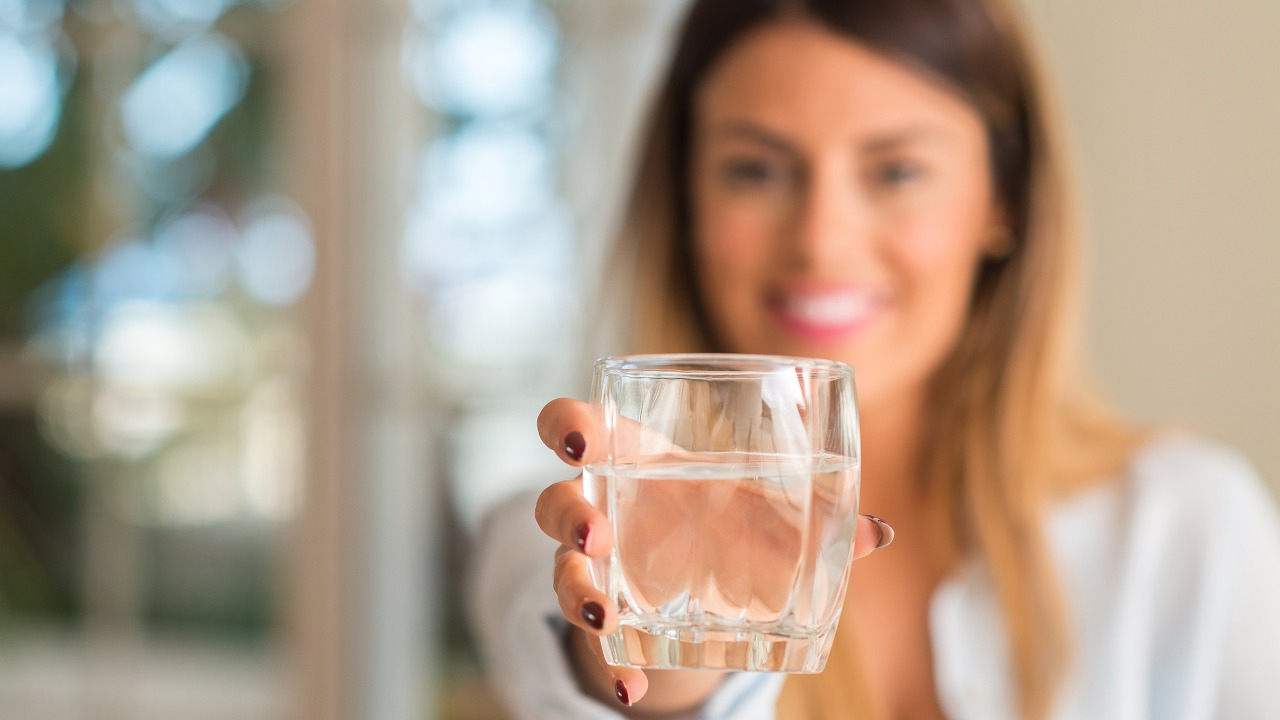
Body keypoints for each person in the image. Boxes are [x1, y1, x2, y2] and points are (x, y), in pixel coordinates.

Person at [469, 0, 1280, 717]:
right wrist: (667, 641)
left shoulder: (1187, 530)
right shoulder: (565, 532)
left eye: (897, 170)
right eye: (755, 169)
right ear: (685, 199)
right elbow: (587, 681)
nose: (822, 240)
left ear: (1004, 198)